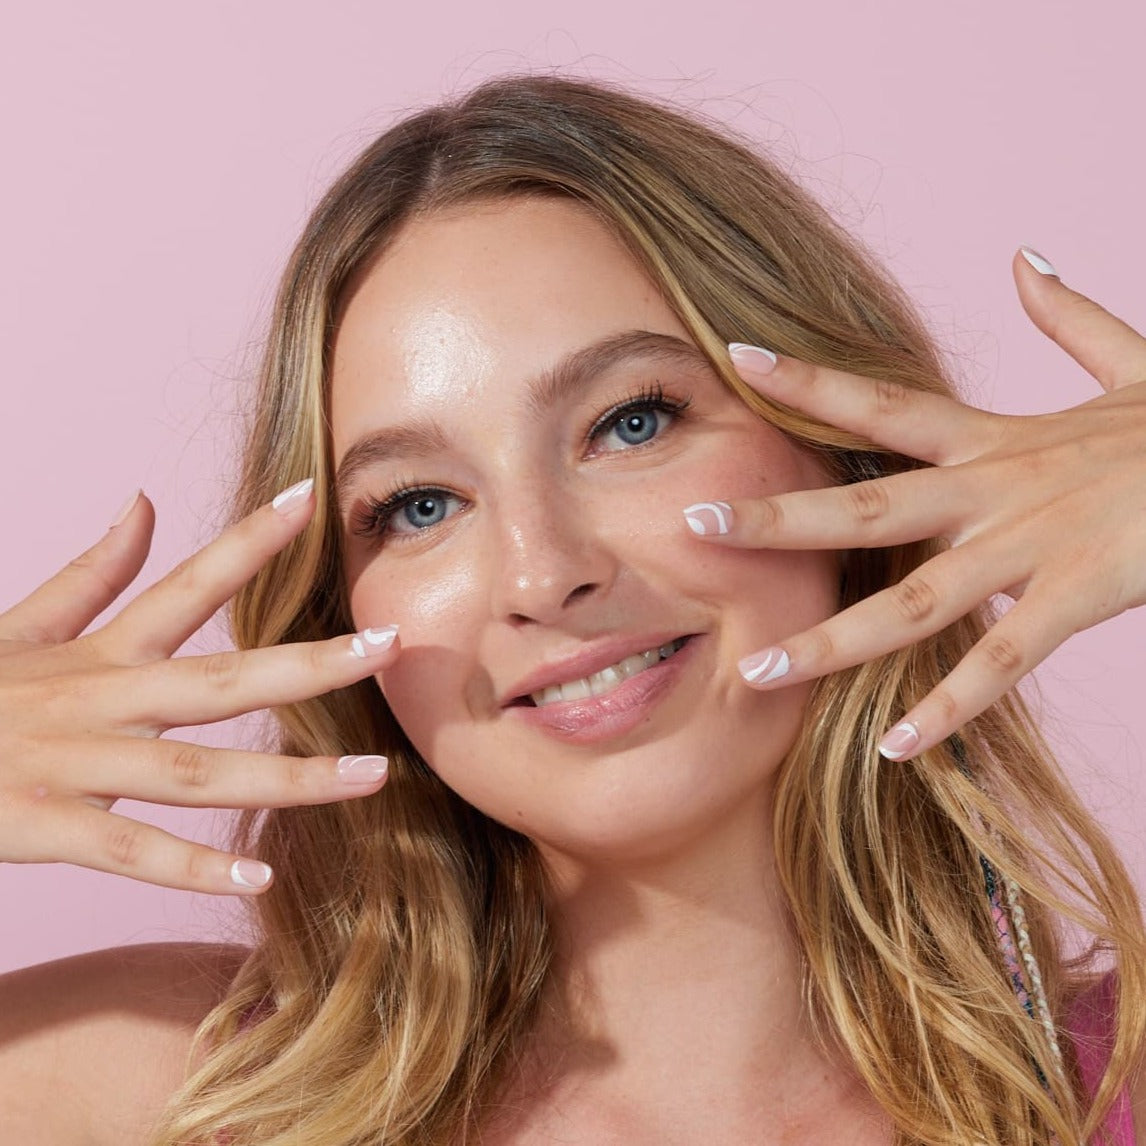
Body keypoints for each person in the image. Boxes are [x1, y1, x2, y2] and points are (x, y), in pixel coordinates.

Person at [1, 73, 1144, 1145]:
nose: (545, 574)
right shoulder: (144, 1089)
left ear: (845, 461)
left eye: (630, 423)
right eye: (418, 503)